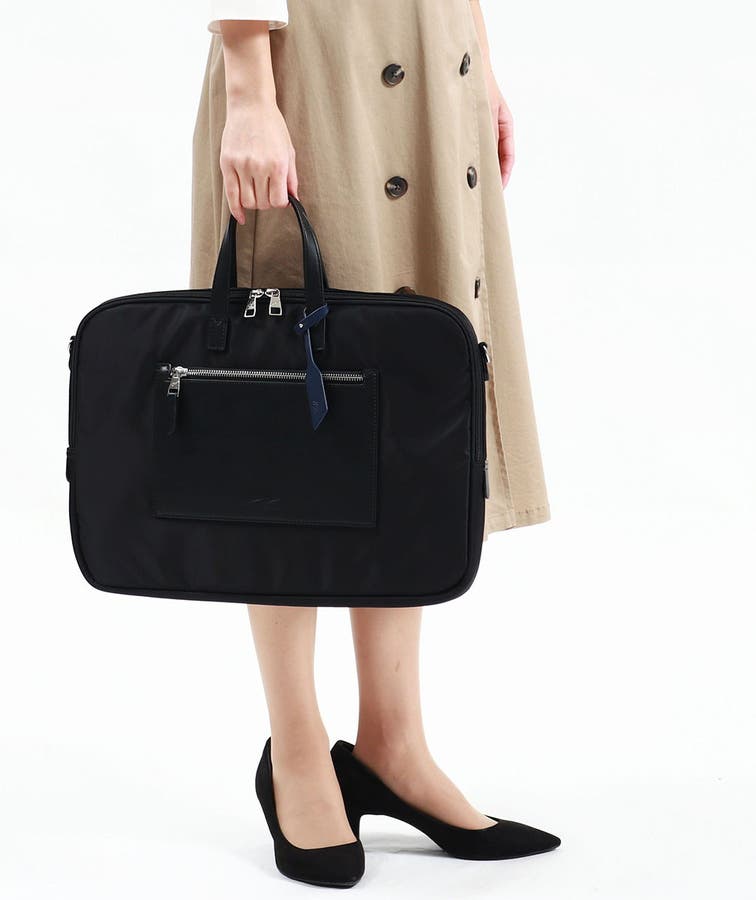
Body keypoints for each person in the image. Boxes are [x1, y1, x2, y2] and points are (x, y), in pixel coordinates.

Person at [191, 0, 560, 887]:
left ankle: (393, 744)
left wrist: (479, 57)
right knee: (291, 414)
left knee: (409, 409)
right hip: (313, 64)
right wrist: (250, 89)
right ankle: (297, 750)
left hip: (435, 60)